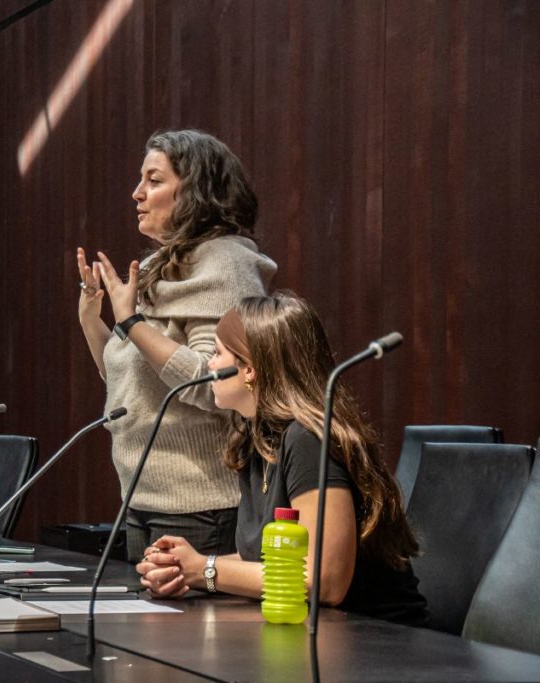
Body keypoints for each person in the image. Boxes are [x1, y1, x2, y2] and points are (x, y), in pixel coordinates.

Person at [137, 294, 429, 626]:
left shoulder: (308, 439)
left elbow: (325, 581)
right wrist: (184, 567)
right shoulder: (256, 438)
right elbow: (273, 562)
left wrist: (206, 570)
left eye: (217, 353)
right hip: (315, 631)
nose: (209, 365)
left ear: (249, 369)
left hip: (378, 640)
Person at [76, 129, 277, 561]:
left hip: (201, 503)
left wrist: (130, 321)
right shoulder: (157, 266)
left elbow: (216, 385)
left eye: (154, 180)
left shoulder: (225, 263)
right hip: (141, 496)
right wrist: (93, 322)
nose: (137, 193)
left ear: (196, 192)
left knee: (184, 631)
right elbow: (129, 382)